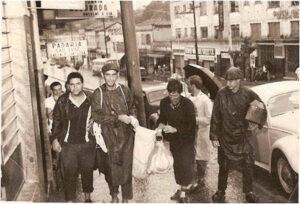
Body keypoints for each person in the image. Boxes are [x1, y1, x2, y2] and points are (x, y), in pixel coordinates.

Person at [210, 67, 266, 203]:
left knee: (248, 165)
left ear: (239, 80)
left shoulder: (248, 93)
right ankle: (221, 190)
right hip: (225, 135)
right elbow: (215, 116)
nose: (228, 84)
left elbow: (261, 108)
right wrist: (214, 136)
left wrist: (255, 121)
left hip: (243, 136)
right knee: (223, 165)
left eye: (232, 81)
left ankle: (249, 192)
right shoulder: (221, 94)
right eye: (227, 81)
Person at [91, 63, 137, 203]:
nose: (110, 78)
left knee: (126, 166)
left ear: (117, 75)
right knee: (111, 167)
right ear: (103, 75)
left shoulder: (124, 90)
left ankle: (126, 198)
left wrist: (132, 118)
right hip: (108, 135)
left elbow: (132, 107)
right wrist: (117, 118)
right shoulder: (98, 93)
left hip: (126, 135)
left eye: (113, 74)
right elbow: (97, 116)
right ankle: (114, 195)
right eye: (107, 75)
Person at [51, 72, 95, 202]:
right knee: (69, 173)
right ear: (68, 86)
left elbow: (100, 113)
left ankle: (87, 198)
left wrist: (94, 120)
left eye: (78, 84)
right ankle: (70, 200)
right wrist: (54, 139)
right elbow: (56, 121)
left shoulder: (90, 98)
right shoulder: (63, 100)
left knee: (87, 170)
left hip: (87, 143)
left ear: (82, 84)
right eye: (72, 84)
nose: (75, 87)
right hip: (68, 144)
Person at [156, 78, 196, 203]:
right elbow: (162, 118)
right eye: (170, 93)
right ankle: (180, 189)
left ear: (180, 93)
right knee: (177, 165)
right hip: (174, 140)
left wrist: (176, 129)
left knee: (185, 164)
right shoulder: (164, 103)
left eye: (176, 93)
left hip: (186, 138)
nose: (173, 96)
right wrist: (159, 127)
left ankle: (183, 194)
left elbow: (192, 125)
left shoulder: (187, 104)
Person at [187, 75, 212, 192]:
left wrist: (195, 119)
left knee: (201, 157)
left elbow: (209, 119)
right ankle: (192, 181)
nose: (187, 86)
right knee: (190, 157)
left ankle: (200, 180)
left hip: (202, 133)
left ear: (193, 85)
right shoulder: (187, 98)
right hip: (189, 133)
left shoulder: (205, 100)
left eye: (188, 84)